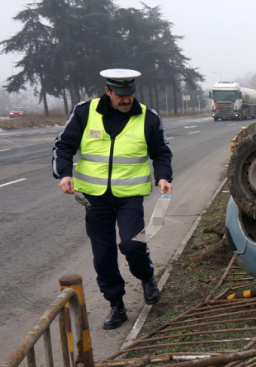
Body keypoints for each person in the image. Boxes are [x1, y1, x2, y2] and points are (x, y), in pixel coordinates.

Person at [52, 69, 173, 330]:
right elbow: (63, 145)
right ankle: (116, 304)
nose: (126, 100)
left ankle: (147, 277)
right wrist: (64, 173)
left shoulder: (147, 118)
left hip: (129, 196)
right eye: (120, 95)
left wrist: (163, 177)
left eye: (129, 95)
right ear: (108, 92)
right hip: (95, 198)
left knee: (132, 244)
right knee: (103, 255)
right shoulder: (85, 112)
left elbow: (161, 152)